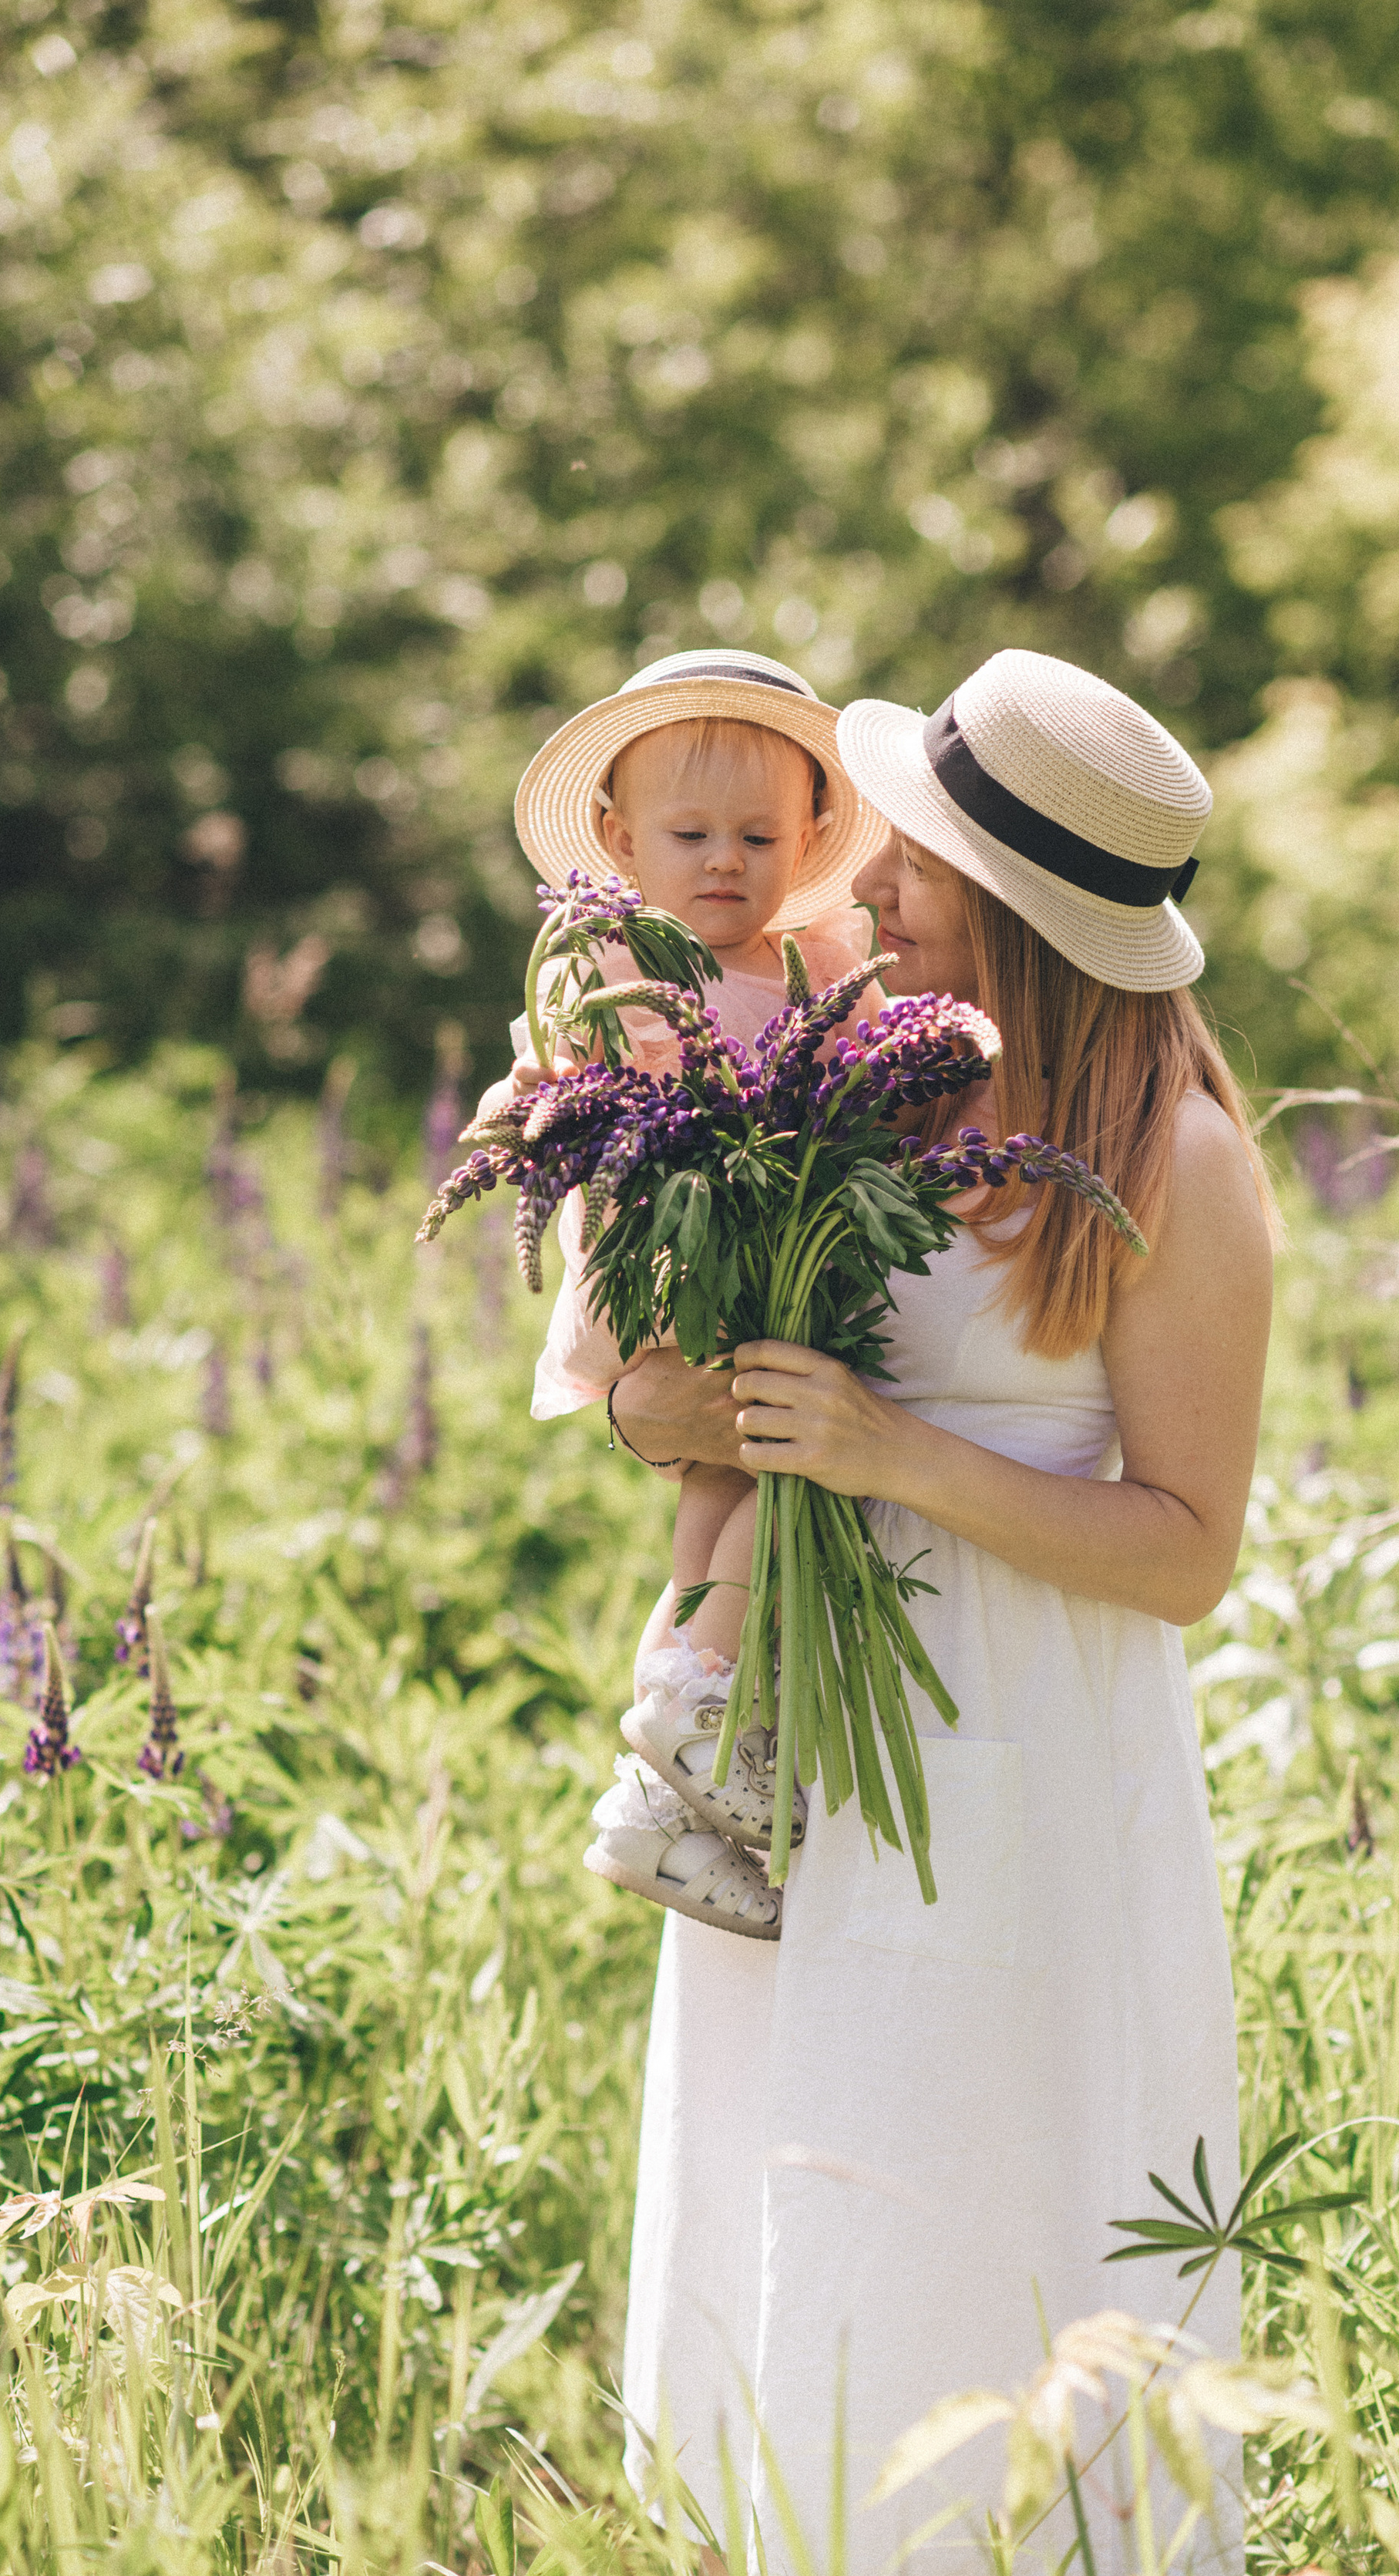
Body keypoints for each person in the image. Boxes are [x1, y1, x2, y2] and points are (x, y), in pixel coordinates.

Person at [608, 648, 1280, 2576]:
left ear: (1011, 903)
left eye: (913, 854)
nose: (867, 877)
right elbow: (699, 1393)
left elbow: (1182, 1549)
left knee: (991, 2131)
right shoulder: (873, 1088)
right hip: (809, 1718)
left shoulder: (1178, 1163)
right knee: (797, 2127)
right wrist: (681, 1398)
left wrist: (895, 1454)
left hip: (1028, 1734)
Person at [476, 648, 887, 1938]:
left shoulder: (819, 955)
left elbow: (874, 1057)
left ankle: (661, 1783)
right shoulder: (614, 968)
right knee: (782, 1467)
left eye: (758, 834)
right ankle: (712, 1708)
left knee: (721, 1489)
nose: (724, 861)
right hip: (677, 1257)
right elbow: (536, 1076)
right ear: (619, 839)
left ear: (810, 836)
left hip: (765, 1249)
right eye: (690, 833)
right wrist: (523, 1123)